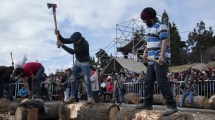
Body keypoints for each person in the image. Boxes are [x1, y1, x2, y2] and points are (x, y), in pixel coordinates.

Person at [136, 7, 178, 116]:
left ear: (151, 17)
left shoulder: (161, 26)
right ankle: (147, 103)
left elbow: (164, 41)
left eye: (145, 19)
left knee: (161, 82)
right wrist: (145, 52)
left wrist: (162, 56)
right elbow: (148, 43)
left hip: (159, 59)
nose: (144, 21)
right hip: (151, 60)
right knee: (148, 82)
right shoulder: (149, 28)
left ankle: (172, 105)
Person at [55, 31, 94, 104]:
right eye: (74, 42)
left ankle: (90, 97)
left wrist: (62, 45)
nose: (75, 43)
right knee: (72, 79)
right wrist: (58, 34)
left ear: (79, 39)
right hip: (78, 62)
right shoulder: (74, 39)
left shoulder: (85, 44)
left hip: (85, 62)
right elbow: (64, 40)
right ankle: (72, 96)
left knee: (87, 79)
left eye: (76, 41)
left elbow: (72, 51)